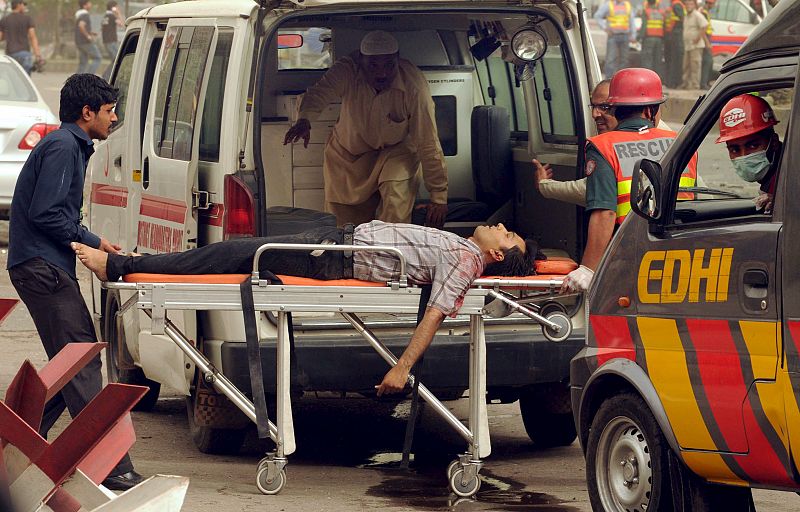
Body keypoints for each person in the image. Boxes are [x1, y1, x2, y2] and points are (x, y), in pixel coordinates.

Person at [72, 221, 537, 396]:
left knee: (229, 255)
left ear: (497, 255)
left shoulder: (466, 258)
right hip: (335, 242)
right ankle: (124, 261)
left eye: (505, 233)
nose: (498, 225)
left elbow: (434, 313)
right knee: (234, 251)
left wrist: (401, 368)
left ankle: (121, 264)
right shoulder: (462, 246)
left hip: (334, 253)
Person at [6, 74, 143, 491]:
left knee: (70, 365)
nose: (114, 117)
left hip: (42, 265)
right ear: (87, 113)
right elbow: (46, 214)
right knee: (82, 360)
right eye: (108, 111)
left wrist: (94, 241)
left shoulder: (68, 145)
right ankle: (112, 463)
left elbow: (52, 212)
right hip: (41, 267)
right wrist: (90, 241)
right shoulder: (65, 147)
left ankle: (13, 443)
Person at [284, 31, 448, 228]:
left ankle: (389, 254)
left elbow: (427, 140)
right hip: (347, 155)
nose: (382, 73)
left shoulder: (414, 85)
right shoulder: (346, 70)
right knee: (343, 226)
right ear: (361, 61)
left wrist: (438, 196)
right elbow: (319, 94)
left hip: (394, 152)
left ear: (398, 60)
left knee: (397, 198)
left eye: (389, 65)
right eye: (373, 65)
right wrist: (304, 119)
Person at [561, 68, 697, 293]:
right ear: (651, 109)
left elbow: (605, 213)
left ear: (614, 107)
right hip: (680, 255)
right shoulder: (681, 143)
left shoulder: (603, 146)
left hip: (631, 258)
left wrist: (587, 269)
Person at [716, 94, 781, 213]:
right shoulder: (775, 180)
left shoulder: (791, 176)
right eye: (734, 150)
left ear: (774, 142)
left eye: (752, 146)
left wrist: (784, 202)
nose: (744, 155)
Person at [594, 0, 636, 78]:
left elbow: (631, 20)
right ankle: (609, 81)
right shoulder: (608, 5)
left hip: (625, 36)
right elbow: (597, 16)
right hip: (613, 36)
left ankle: (622, 80)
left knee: (624, 60)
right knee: (611, 59)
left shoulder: (627, 5)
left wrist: (633, 35)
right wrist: (605, 28)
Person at [0, 0, 42, 75]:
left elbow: (0, 37)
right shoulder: (27, 19)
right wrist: (38, 55)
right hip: (24, 54)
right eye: (24, 4)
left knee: (13, 81)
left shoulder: (4, 20)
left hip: (10, 55)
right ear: (18, 5)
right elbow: (32, 37)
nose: (25, 6)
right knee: (24, 81)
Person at [681, 0, 708, 89]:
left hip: (696, 46)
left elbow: (704, 25)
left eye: (691, 4)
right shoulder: (687, 16)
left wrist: (698, 38)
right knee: (686, 66)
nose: (688, 5)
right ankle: (686, 84)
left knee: (695, 66)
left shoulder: (697, 15)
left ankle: (695, 86)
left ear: (694, 5)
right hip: (688, 45)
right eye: (687, 4)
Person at [75, 0, 102, 75]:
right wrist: (88, 36)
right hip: (85, 42)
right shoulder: (85, 15)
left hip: (79, 42)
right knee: (98, 57)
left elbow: (81, 27)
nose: (91, 4)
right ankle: (89, 77)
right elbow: (81, 26)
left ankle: (76, 82)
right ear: (84, 5)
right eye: (89, 3)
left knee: (83, 63)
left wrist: (91, 33)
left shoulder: (79, 15)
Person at [664, 0, 686, 88]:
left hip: (671, 35)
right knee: (676, 59)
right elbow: (683, 18)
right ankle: (674, 83)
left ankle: (670, 83)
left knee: (671, 60)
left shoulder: (672, 5)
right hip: (676, 34)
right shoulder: (677, 5)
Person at [640, 0, 665, 76]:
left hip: (649, 38)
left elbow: (644, 26)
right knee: (657, 59)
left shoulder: (646, 11)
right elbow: (663, 25)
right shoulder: (661, 12)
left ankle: (647, 77)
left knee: (647, 60)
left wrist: (640, 37)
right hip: (659, 39)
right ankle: (658, 78)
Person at [100, 0, 124, 79]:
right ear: (113, 8)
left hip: (106, 41)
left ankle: (108, 76)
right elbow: (122, 24)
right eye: (116, 7)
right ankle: (106, 76)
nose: (118, 8)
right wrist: (118, 13)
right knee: (118, 59)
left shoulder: (105, 16)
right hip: (112, 41)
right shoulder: (112, 16)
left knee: (115, 60)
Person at [700, 0, 715, 88]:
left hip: (707, 38)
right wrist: (707, 43)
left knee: (708, 61)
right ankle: (703, 83)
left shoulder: (706, 12)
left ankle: (706, 82)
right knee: (708, 61)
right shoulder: (704, 13)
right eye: (709, 3)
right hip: (706, 39)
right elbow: (703, 31)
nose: (710, 5)